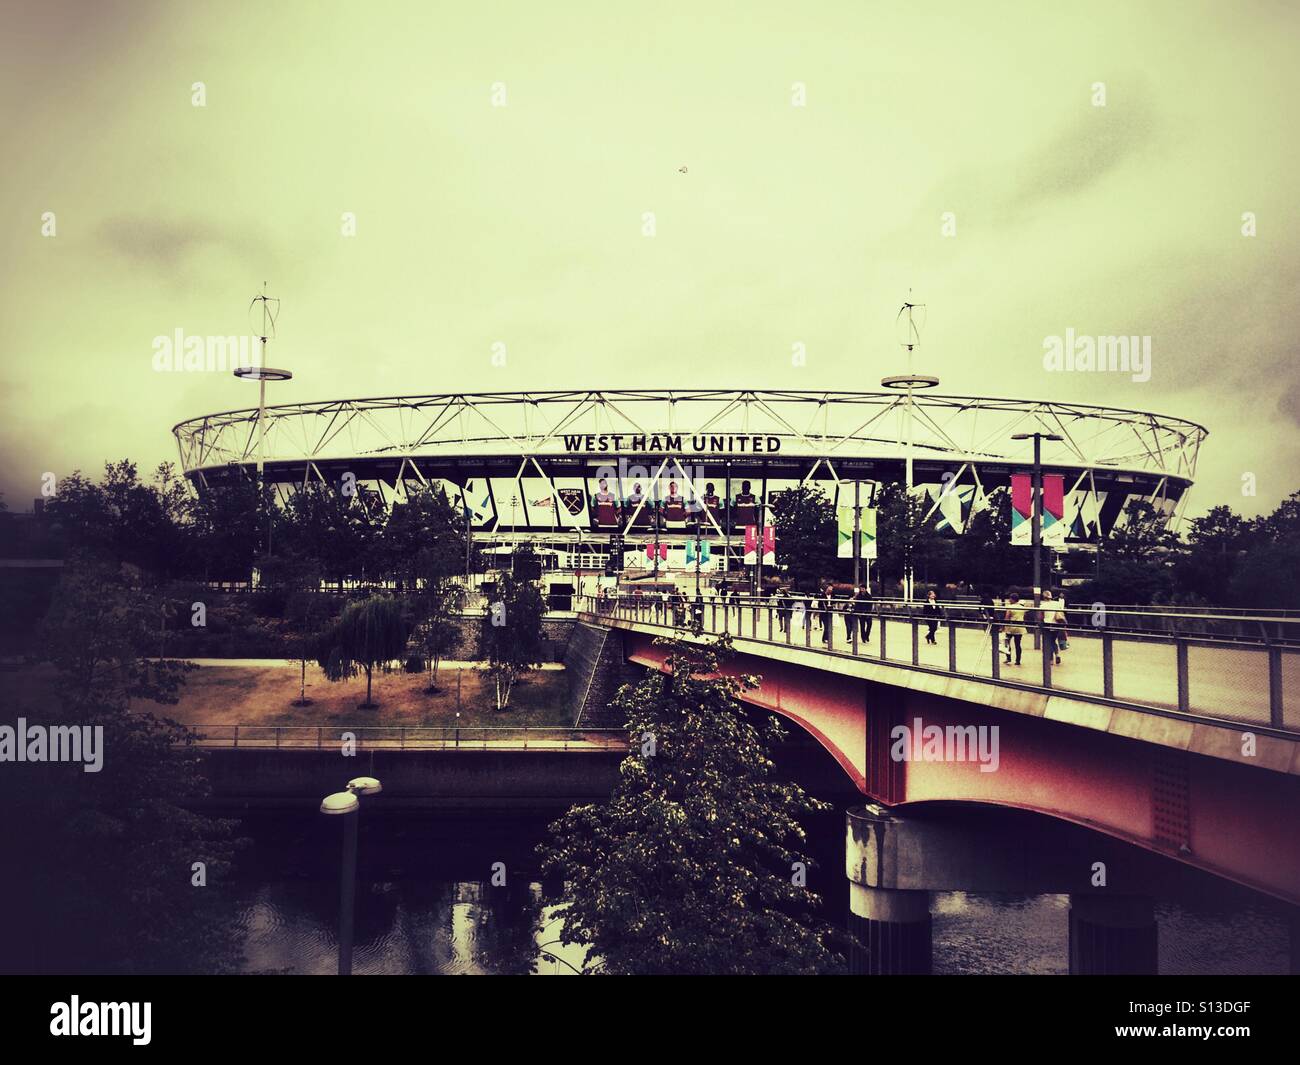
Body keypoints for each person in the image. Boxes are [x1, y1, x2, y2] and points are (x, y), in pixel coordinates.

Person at [1041, 589, 1066, 666]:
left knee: (1048, 642)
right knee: (1053, 641)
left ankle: (1051, 659)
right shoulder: (1057, 604)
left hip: (1047, 625)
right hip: (1056, 624)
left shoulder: (1042, 605)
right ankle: (1057, 654)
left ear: (1044, 597)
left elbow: (1040, 616)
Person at [1002, 594, 1026, 666]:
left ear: (1013, 599)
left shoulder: (1010, 607)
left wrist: (1003, 626)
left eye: (1010, 599)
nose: (1009, 600)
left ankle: (1008, 658)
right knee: (1018, 644)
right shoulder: (1022, 607)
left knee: (1007, 643)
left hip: (1011, 628)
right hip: (1019, 628)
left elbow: (1007, 617)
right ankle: (1018, 660)